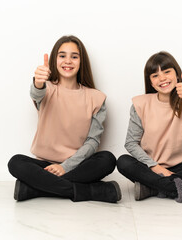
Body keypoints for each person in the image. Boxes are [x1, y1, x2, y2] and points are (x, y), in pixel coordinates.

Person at [8, 35, 121, 203]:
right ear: (55, 60)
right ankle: (93, 191)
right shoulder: (46, 89)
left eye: (74, 57)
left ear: (81, 61)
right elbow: (36, 93)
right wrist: (38, 82)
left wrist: (65, 167)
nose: (68, 61)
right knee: (15, 162)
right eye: (62, 56)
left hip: (78, 164)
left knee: (107, 159)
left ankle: (34, 189)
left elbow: (92, 141)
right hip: (45, 165)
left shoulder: (96, 98)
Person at [117, 51, 182, 203]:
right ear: (151, 82)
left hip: (178, 169)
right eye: (155, 75)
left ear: (177, 75)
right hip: (150, 169)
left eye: (167, 72)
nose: (162, 78)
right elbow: (130, 143)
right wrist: (156, 168)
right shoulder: (140, 104)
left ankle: (153, 188)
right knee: (123, 161)